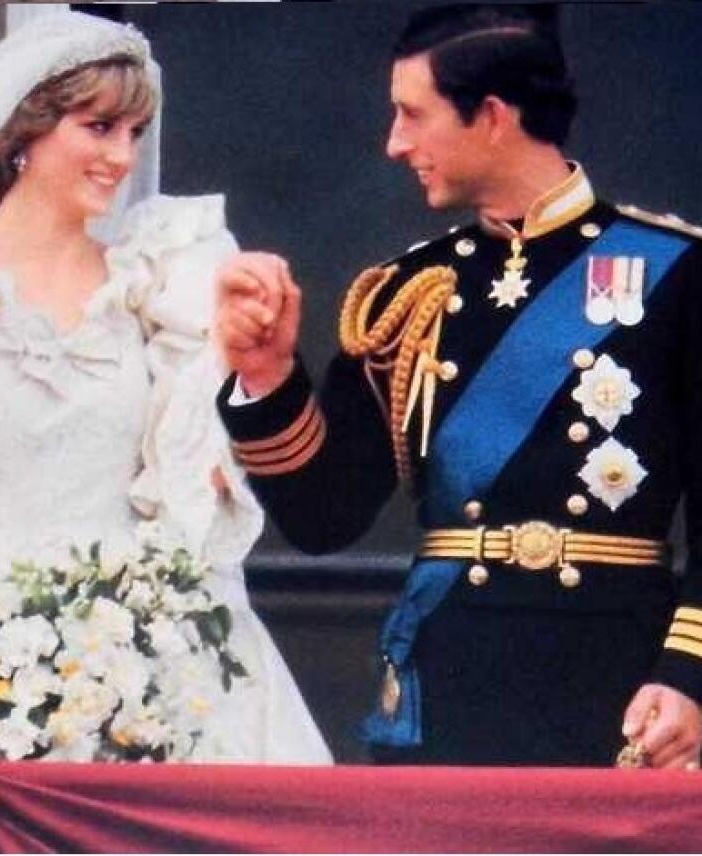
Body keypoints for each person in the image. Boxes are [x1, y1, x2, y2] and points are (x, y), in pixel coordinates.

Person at [215, 3, 702, 768]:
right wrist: (267, 375)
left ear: (494, 116)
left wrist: (689, 675)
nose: (395, 142)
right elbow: (324, 518)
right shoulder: (410, 291)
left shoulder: (676, 271)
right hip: (449, 682)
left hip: (618, 683)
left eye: (413, 114)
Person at [0, 10, 331, 764]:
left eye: (133, 134)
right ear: (22, 135)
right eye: (98, 127)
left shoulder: (158, 283)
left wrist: (237, 350)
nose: (122, 157)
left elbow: (189, 487)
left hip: (145, 648)